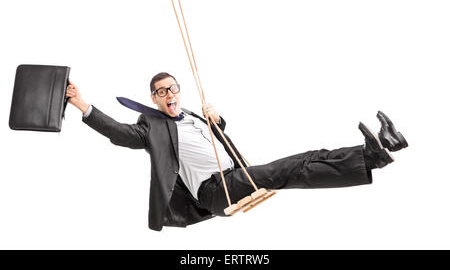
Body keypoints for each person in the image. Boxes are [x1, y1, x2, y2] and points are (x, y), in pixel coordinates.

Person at [66, 72, 408, 231]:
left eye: (173, 88)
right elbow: (119, 133)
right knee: (285, 171)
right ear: (154, 98)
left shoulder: (191, 116)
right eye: (161, 91)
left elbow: (211, 144)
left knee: (303, 159)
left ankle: (375, 152)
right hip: (216, 191)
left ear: (178, 91)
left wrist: (217, 122)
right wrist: (82, 103)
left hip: (234, 176)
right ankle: (372, 158)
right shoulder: (152, 128)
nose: (169, 93)